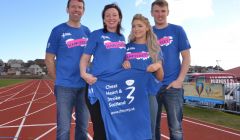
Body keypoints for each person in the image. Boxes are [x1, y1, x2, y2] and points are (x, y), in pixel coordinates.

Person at [45, 0, 89, 139]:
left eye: (80, 7)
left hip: (84, 86)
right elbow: (49, 58)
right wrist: (57, 79)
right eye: (73, 6)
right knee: (63, 129)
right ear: (67, 9)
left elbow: (93, 57)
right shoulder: (58, 30)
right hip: (65, 86)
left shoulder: (87, 31)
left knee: (83, 127)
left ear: (83, 11)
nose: (77, 9)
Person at [80, 3, 125, 140]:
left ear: (119, 18)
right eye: (107, 15)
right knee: (100, 127)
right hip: (97, 87)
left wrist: (126, 62)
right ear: (104, 19)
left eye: (114, 15)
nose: (111, 18)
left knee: (115, 126)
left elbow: (120, 60)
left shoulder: (122, 38)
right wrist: (84, 74)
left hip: (115, 89)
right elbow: (85, 58)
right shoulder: (96, 34)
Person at [151, 0, 191, 140]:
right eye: (156, 11)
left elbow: (186, 57)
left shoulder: (177, 30)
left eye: (163, 11)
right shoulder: (147, 32)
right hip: (153, 87)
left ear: (168, 12)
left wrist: (179, 80)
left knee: (175, 129)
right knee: (152, 127)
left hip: (172, 87)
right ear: (151, 13)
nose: (160, 14)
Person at [122, 14, 164, 140]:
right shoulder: (126, 48)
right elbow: (120, 74)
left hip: (148, 96)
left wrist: (158, 66)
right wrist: (123, 64)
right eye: (134, 26)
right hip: (129, 95)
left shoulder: (154, 48)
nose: (136, 28)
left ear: (147, 28)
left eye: (140, 25)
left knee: (149, 132)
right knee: (130, 132)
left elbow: (160, 78)